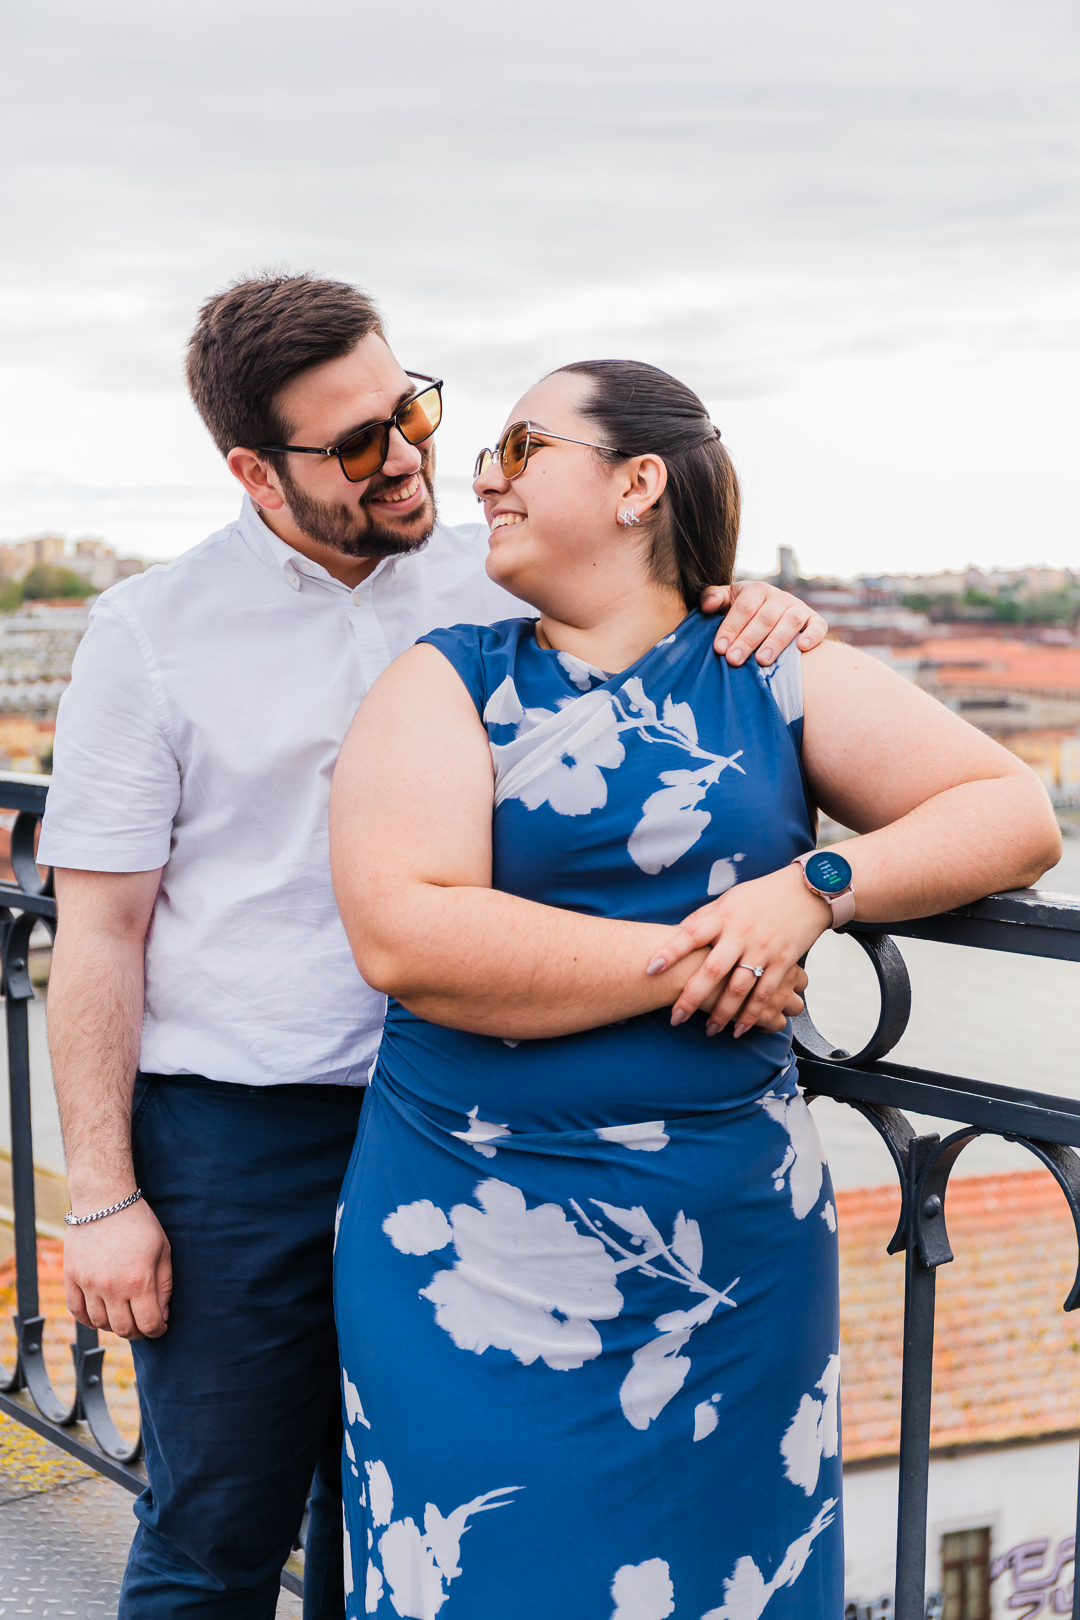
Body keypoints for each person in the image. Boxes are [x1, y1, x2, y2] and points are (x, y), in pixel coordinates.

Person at [37, 275, 827, 1620]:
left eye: (409, 410)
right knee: (216, 1528)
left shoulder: (501, 571)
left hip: (484, 1123)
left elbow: (658, 634)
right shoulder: (148, 635)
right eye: (356, 444)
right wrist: (104, 1200)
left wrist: (746, 606)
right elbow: (101, 932)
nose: (407, 457)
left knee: (416, 1528)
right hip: (246, 1137)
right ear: (252, 467)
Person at [329, 359, 1061, 1620]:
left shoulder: (771, 661)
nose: (481, 473)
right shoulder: (443, 681)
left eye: (520, 446)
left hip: (730, 1247)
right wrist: (711, 956)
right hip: (469, 1243)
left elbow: (1014, 813)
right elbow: (406, 937)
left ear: (637, 483)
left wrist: (817, 887)